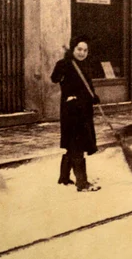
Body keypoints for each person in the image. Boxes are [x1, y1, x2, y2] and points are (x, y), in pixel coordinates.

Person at [51, 36, 101, 192]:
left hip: (84, 110)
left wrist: (93, 96)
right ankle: (82, 182)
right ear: (73, 49)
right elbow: (54, 79)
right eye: (79, 49)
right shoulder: (64, 64)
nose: (82, 53)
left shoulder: (85, 65)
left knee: (75, 144)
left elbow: (88, 85)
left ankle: (64, 177)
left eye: (85, 50)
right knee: (76, 144)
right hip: (71, 110)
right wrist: (61, 69)